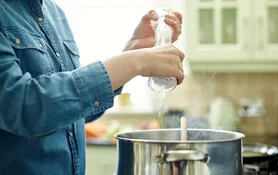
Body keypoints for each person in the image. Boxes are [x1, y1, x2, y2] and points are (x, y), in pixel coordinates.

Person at [0, 0, 184, 174]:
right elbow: (21, 106)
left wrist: (133, 51)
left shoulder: (54, 13)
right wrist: (134, 62)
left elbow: (71, 111)